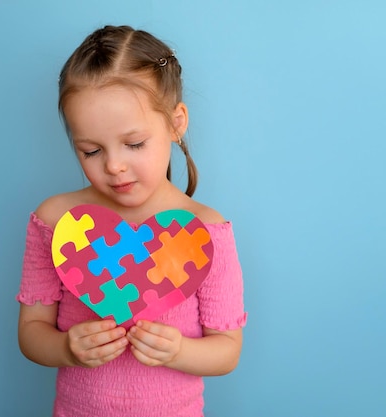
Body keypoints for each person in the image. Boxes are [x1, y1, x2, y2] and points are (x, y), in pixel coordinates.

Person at [16, 25, 247, 417]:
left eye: (134, 144)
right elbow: (31, 332)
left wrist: (179, 351)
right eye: (90, 151)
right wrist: (66, 348)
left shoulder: (205, 231)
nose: (114, 166)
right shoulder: (55, 222)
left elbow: (227, 351)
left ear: (176, 123)